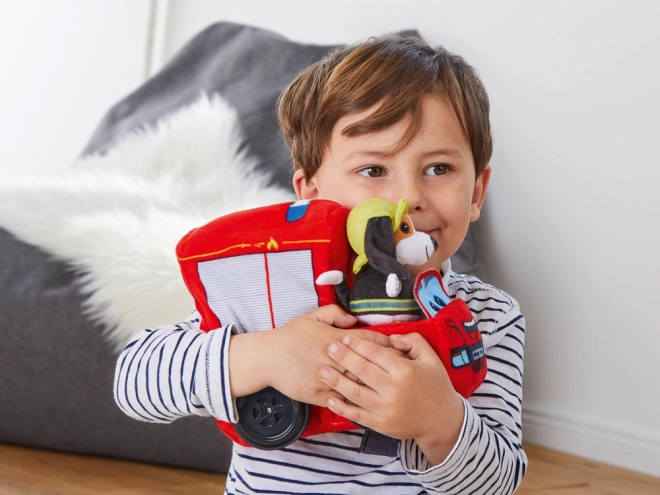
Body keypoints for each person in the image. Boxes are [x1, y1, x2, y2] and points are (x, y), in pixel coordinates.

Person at [114, 35, 527, 494]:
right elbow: (134, 382)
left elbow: (498, 482)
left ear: (475, 193)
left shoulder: (489, 318)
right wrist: (265, 355)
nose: (408, 198)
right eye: (373, 171)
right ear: (312, 196)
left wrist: (440, 423)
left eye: (438, 169)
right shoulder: (274, 295)